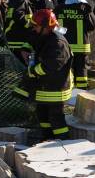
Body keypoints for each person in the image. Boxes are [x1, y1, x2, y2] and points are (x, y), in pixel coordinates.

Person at [26, 9, 74, 141]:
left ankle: (63, 141)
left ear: (46, 27)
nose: (34, 29)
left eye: (36, 26)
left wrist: (33, 71)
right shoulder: (46, 36)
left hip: (56, 89)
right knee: (42, 115)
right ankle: (47, 139)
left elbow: (51, 65)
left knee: (56, 119)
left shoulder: (58, 43)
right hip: (46, 87)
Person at [56, 0, 95, 90]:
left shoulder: (60, 8)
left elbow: (53, 26)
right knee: (81, 71)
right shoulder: (85, 8)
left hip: (65, 46)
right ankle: (81, 92)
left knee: (65, 70)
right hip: (81, 47)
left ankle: (67, 91)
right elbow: (93, 25)